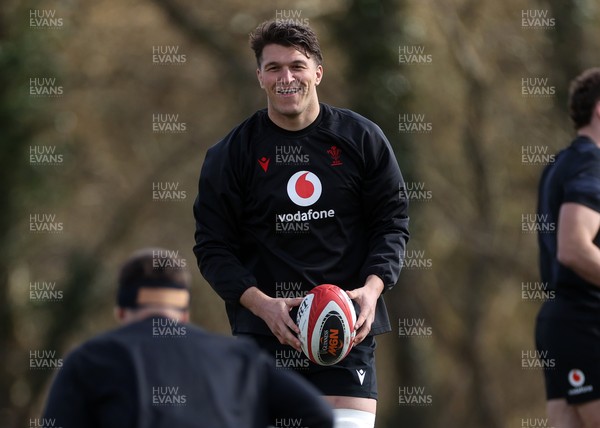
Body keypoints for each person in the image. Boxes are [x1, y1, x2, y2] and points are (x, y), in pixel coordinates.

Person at [193, 20, 409, 428]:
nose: (286, 77)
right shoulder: (232, 153)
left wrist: (372, 288)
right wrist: (263, 306)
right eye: (273, 68)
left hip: (345, 336)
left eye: (297, 65)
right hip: (264, 340)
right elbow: (212, 247)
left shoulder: (362, 139)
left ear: (318, 72)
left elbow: (392, 223)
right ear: (259, 76)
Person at [42, 248, 334, 428]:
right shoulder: (241, 359)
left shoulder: (89, 360)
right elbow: (318, 415)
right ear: (184, 313)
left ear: (121, 311)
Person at [536, 68, 600, 428]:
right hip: (585, 323)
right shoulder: (592, 161)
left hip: (561, 323)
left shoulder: (560, 163)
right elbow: (574, 247)